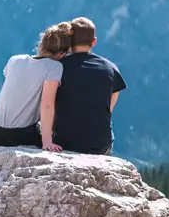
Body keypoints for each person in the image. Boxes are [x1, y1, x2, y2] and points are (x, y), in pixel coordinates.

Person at [0, 23, 72, 151]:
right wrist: (47, 142)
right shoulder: (54, 67)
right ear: (62, 54)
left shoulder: (14, 60)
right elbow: (47, 105)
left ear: (42, 44)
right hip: (20, 136)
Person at [53, 17, 126, 155]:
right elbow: (108, 107)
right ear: (94, 42)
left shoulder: (57, 68)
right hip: (100, 144)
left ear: (69, 43)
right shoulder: (111, 69)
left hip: (64, 142)